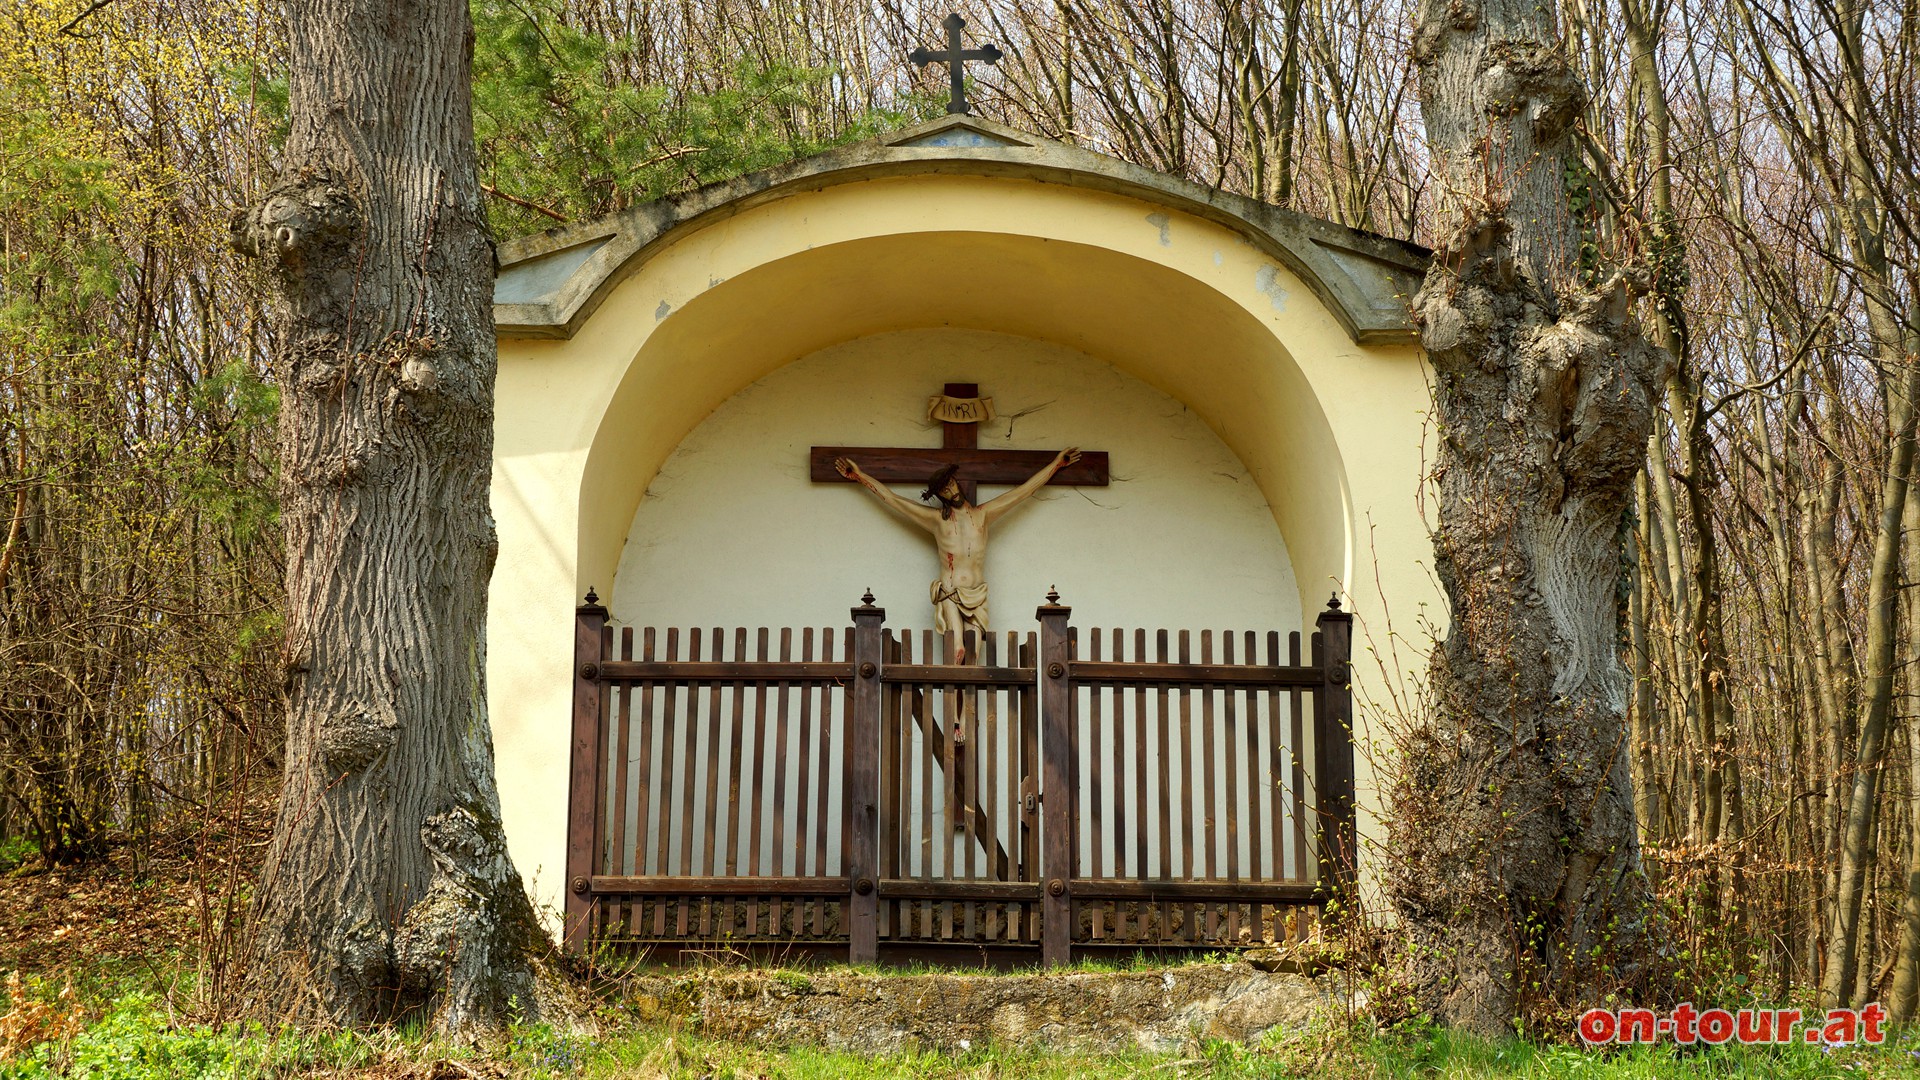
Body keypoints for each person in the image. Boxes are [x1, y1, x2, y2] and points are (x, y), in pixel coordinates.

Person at [833, 447, 1080, 661]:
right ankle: (958, 689)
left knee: (972, 652)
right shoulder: (936, 521)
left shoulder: (983, 515)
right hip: (949, 593)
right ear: (940, 495)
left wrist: (1057, 464)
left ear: (956, 482)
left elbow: (1022, 491)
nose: (950, 490)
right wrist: (859, 476)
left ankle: (963, 716)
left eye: (950, 483)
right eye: (944, 490)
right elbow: (893, 499)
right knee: (956, 648)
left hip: (977, 595)